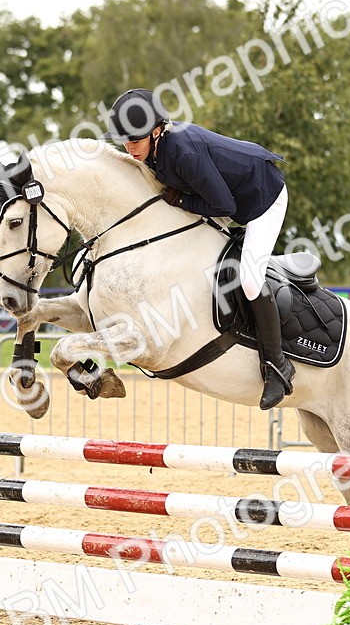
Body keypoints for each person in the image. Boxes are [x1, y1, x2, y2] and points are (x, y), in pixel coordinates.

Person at [100, 88, 294, 410]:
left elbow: (225, 206)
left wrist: (181, 200)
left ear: (156, 131)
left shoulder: (183, 152)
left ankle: (277, 365)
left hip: (262, 197)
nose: (129, 146)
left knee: (249, 279)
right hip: (230, 196)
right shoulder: (154, 151)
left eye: (135, 139)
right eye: (124, 140)